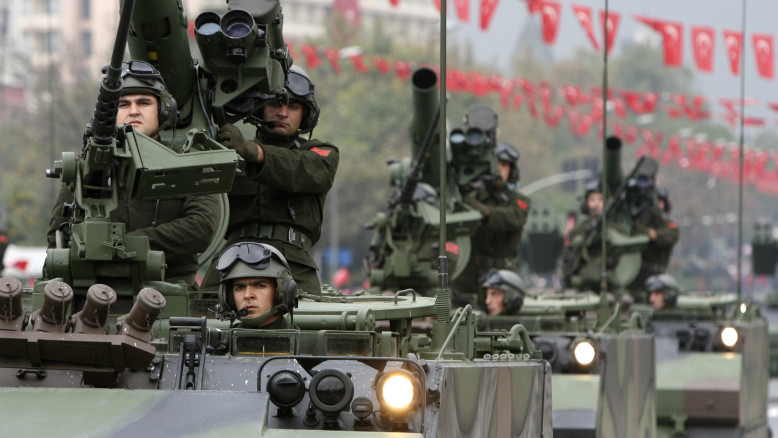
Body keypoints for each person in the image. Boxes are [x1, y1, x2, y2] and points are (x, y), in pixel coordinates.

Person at [47, 60, 220, 287]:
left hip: (170, 289)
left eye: (144, 102)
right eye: (123, 104)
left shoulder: (189, 162)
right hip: (96, 293)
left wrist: (124, 244)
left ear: (164, 110)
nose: (134, 111)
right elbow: (58, 239)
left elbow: (201, 228)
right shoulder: (88, 168)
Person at [211, 65, 338, 295]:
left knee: (308, 316)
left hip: (294, 265)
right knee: (198, 311)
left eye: (293, 107)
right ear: (259, 108)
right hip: (231, 259)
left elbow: (310, 170)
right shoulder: (230, 151)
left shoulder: (321, 153)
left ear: (306, 114)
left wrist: (253, 152)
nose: (283, 113)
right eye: (275, 104)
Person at [453, 141, 531, 309]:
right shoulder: (469, 197)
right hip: (468, 275)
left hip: (503, 276)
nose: (498, 169)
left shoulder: (520, 201)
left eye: (504, 165)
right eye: (495, 163)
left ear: (512, 171)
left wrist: (479, 209)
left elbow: (512, 218)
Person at [216, 241, 297, 329]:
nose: (247, 295)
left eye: (260, 285)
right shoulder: (219, 337)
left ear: (282, 292)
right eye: (239, 288)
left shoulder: (302, 338)